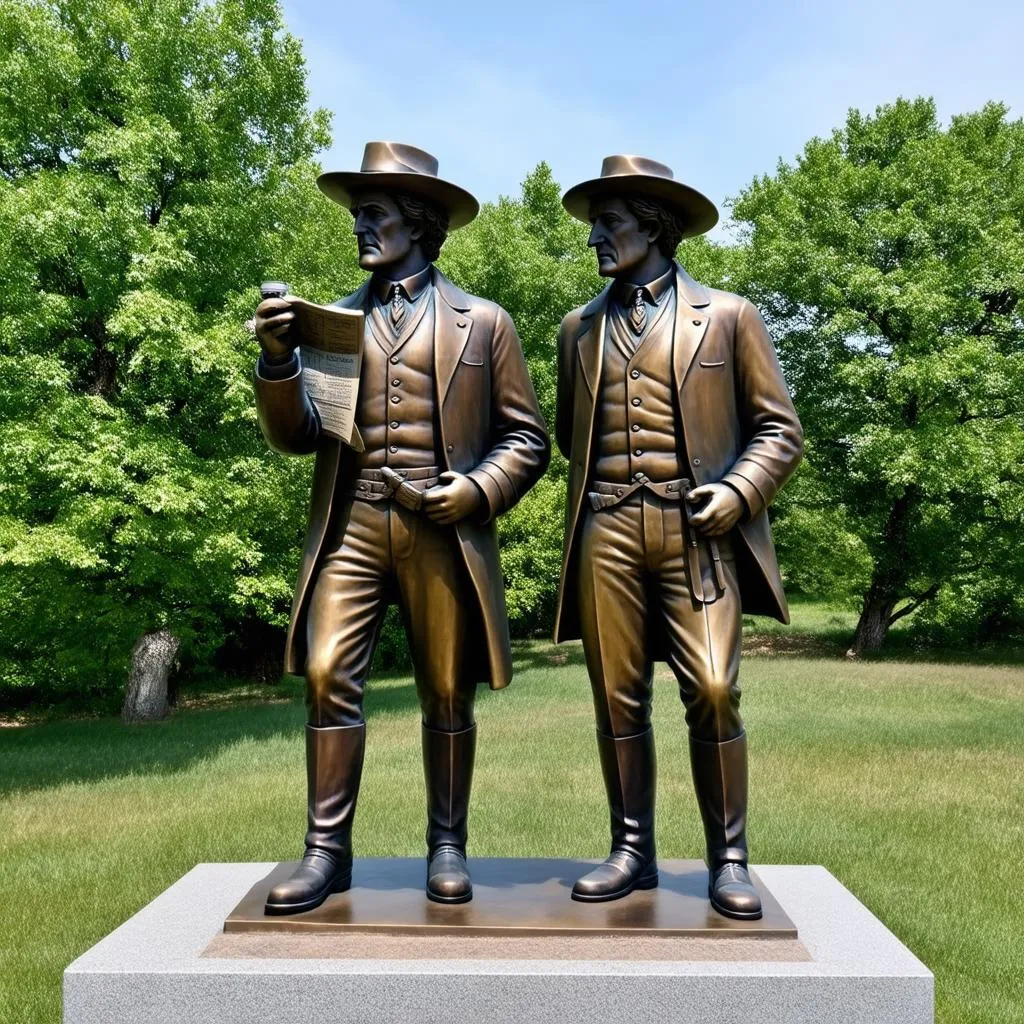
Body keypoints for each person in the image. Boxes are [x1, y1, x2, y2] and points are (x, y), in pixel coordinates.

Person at [252, 142, 549, 913]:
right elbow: (296, 436)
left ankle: (447, 845)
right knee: (326, 676)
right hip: (351, 526)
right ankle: (326, 852)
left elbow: (528, 439)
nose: (359, 227)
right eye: (357, 214)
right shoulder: (333, 321)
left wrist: (477, 491)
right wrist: (279, 362)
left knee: (446, 692)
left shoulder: (483, 323)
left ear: (417, 222)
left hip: (441, 534)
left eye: (373, 214)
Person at [553, 155, 802, 918]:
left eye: (612, 224)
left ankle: (730, 858)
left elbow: (779, 432)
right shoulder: (579, 329)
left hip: (697, 532)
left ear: (654, 228)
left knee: (716, 689)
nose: (597, 237)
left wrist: (737, 490)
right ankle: (633, 850)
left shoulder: (727, 316)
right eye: (596, 224)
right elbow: (572, 435)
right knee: (616, 697)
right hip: (607, 528)